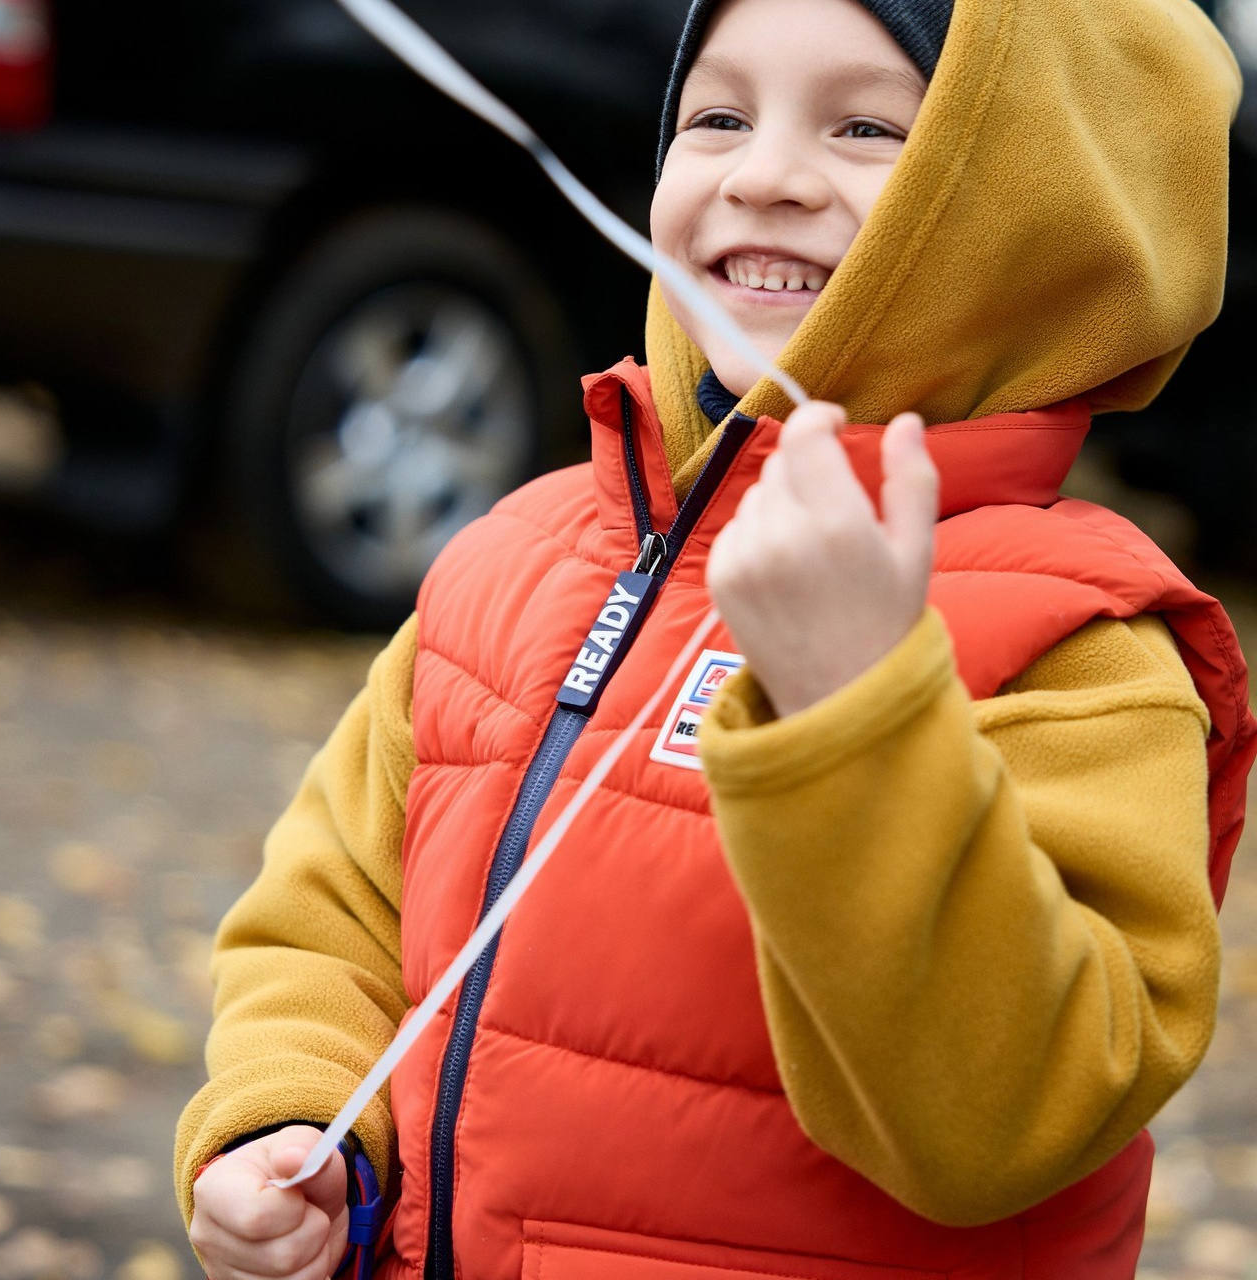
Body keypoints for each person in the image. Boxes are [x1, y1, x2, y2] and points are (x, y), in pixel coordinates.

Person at [177, 0, 1257, 1274]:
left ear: (1037, 215)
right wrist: (293, 1112)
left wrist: (853, 708)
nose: (763, 176)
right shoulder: (516, 556)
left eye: (863, 125)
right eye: (718, 115)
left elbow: (1013, 1115)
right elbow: (331, 907)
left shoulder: (1080, 638)